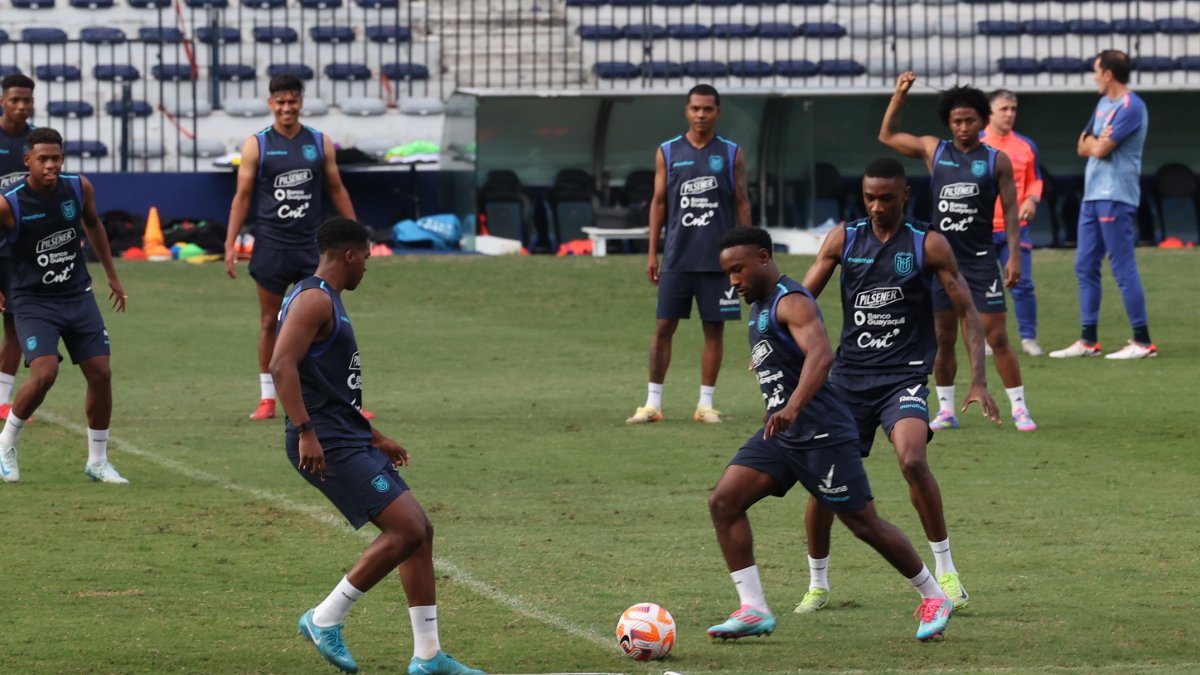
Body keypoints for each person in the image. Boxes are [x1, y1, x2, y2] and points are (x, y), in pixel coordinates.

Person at [705, 227, 955, 643]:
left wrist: (794, 406)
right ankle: (754, 609)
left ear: (764, 257)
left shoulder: (793, 301)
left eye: (738, 269)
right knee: (725, 500)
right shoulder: (762, 303)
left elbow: (821, 355)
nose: (733, 280)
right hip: (782, 433)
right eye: (728, 272)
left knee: (863, 523)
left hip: (821, 431)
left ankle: (933, 596)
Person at [272, 217, 483, 675]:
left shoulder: (323, 297)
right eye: (366, 257)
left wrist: (375, 435)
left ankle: (428, 658)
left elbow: (327, 385)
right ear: (349, 255)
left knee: (420, 533)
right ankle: (324, 619)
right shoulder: (313, 299)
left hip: (346, 435)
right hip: (325, 441)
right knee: (405, 529)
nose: (368, 265)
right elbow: (281, 364)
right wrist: (305, 430)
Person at [793, 158, 1000, 615]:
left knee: (913, 460)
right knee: (824, 482)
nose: (877, 206)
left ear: (905, 194)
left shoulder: (927, 244)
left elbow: (967, 310)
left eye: (887, 197)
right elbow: (800, 301)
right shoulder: (845, 239)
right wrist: (770, 338)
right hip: (847, 380)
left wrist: (979, 381)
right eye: (869, 197)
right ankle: (817, 582)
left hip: (903, 378)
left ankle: (946, 572)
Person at [879, 72, 1037, 433]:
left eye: (970, 120)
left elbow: (1012, 210)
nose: (963, 127)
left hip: (981, 260)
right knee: (942, 336)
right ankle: (946, 409)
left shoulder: (996, 160)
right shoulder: (936, 150)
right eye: (956, 121)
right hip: (940, 262)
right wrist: (899, 94)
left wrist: (1013, 256)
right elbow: (887, 135)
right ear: (948, 123)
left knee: (996, 335)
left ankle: (1019, 407)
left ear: (983, 121)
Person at [225, 73, 361, 422]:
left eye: (292, 101)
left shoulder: (319, 142)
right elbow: (242, 197)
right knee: (271, 321)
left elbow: (337, 189)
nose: (287, 108)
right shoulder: (257, 145)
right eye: (280, 102)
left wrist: (358, 236)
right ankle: (268, 398)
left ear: (301, 102)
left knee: (330, 322)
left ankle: (341, 398)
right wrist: (230, 242)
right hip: (271, 245)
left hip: (314, 249)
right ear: (271, 104)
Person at [0, 127, 129, 484]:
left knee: (101, 374)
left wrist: (112, 276)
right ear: (27, 161)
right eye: (42, 159)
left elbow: (94, 225)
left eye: (56, 158)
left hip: (77, 295)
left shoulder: (78, 188)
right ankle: (6, 441)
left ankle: (98, 461)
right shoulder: (9, 204)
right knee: (44, 374)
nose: (51, 165)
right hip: (32, 300)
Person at [626, 84, 750, 426]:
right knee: (664, 326)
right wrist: (652, 251)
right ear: (686, 110)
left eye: (707, 109)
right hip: (677, 258)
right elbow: (659, 202)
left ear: (717, 113)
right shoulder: (667, 151)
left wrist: (749, 252)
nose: (701, 115)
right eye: (695, 108)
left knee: (714, 329)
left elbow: (741, 202)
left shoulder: (730, 153)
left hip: (719, 262)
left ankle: (705, 405)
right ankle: (652, 404)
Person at [1050, 50, 1155, 360]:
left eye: (1096, 71)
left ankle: (1143, 341)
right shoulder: (1103, 104)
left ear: (1108, 74)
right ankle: (1088, 340)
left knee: (1122, 268)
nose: (1094, 76)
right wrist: (1095, 142)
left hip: (1116, 195)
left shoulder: (1131, 106)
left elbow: (1100, 148)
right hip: (1093, 194)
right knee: (1084, 265)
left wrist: (1096, 143)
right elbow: (1083, 144)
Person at [980, 89, 1044, 357]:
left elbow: (1035, 179)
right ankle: (984, 338)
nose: (1009, 114)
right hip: (981, 229)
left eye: (1013, 109)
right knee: (983, 286)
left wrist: (1032, 198)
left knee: (1022, 283)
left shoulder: (1026, 146)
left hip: (1014, 228)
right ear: (989, 113)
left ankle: (1028, 338)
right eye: (1003, 109)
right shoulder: (976, 143)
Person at [0, 74, 37, 418]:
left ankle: (0, 399)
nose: (22, 106)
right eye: (15, 100)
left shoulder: (36, 143)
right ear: (3, 101)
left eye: (27, 100)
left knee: (12, 323)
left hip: (16, 249)